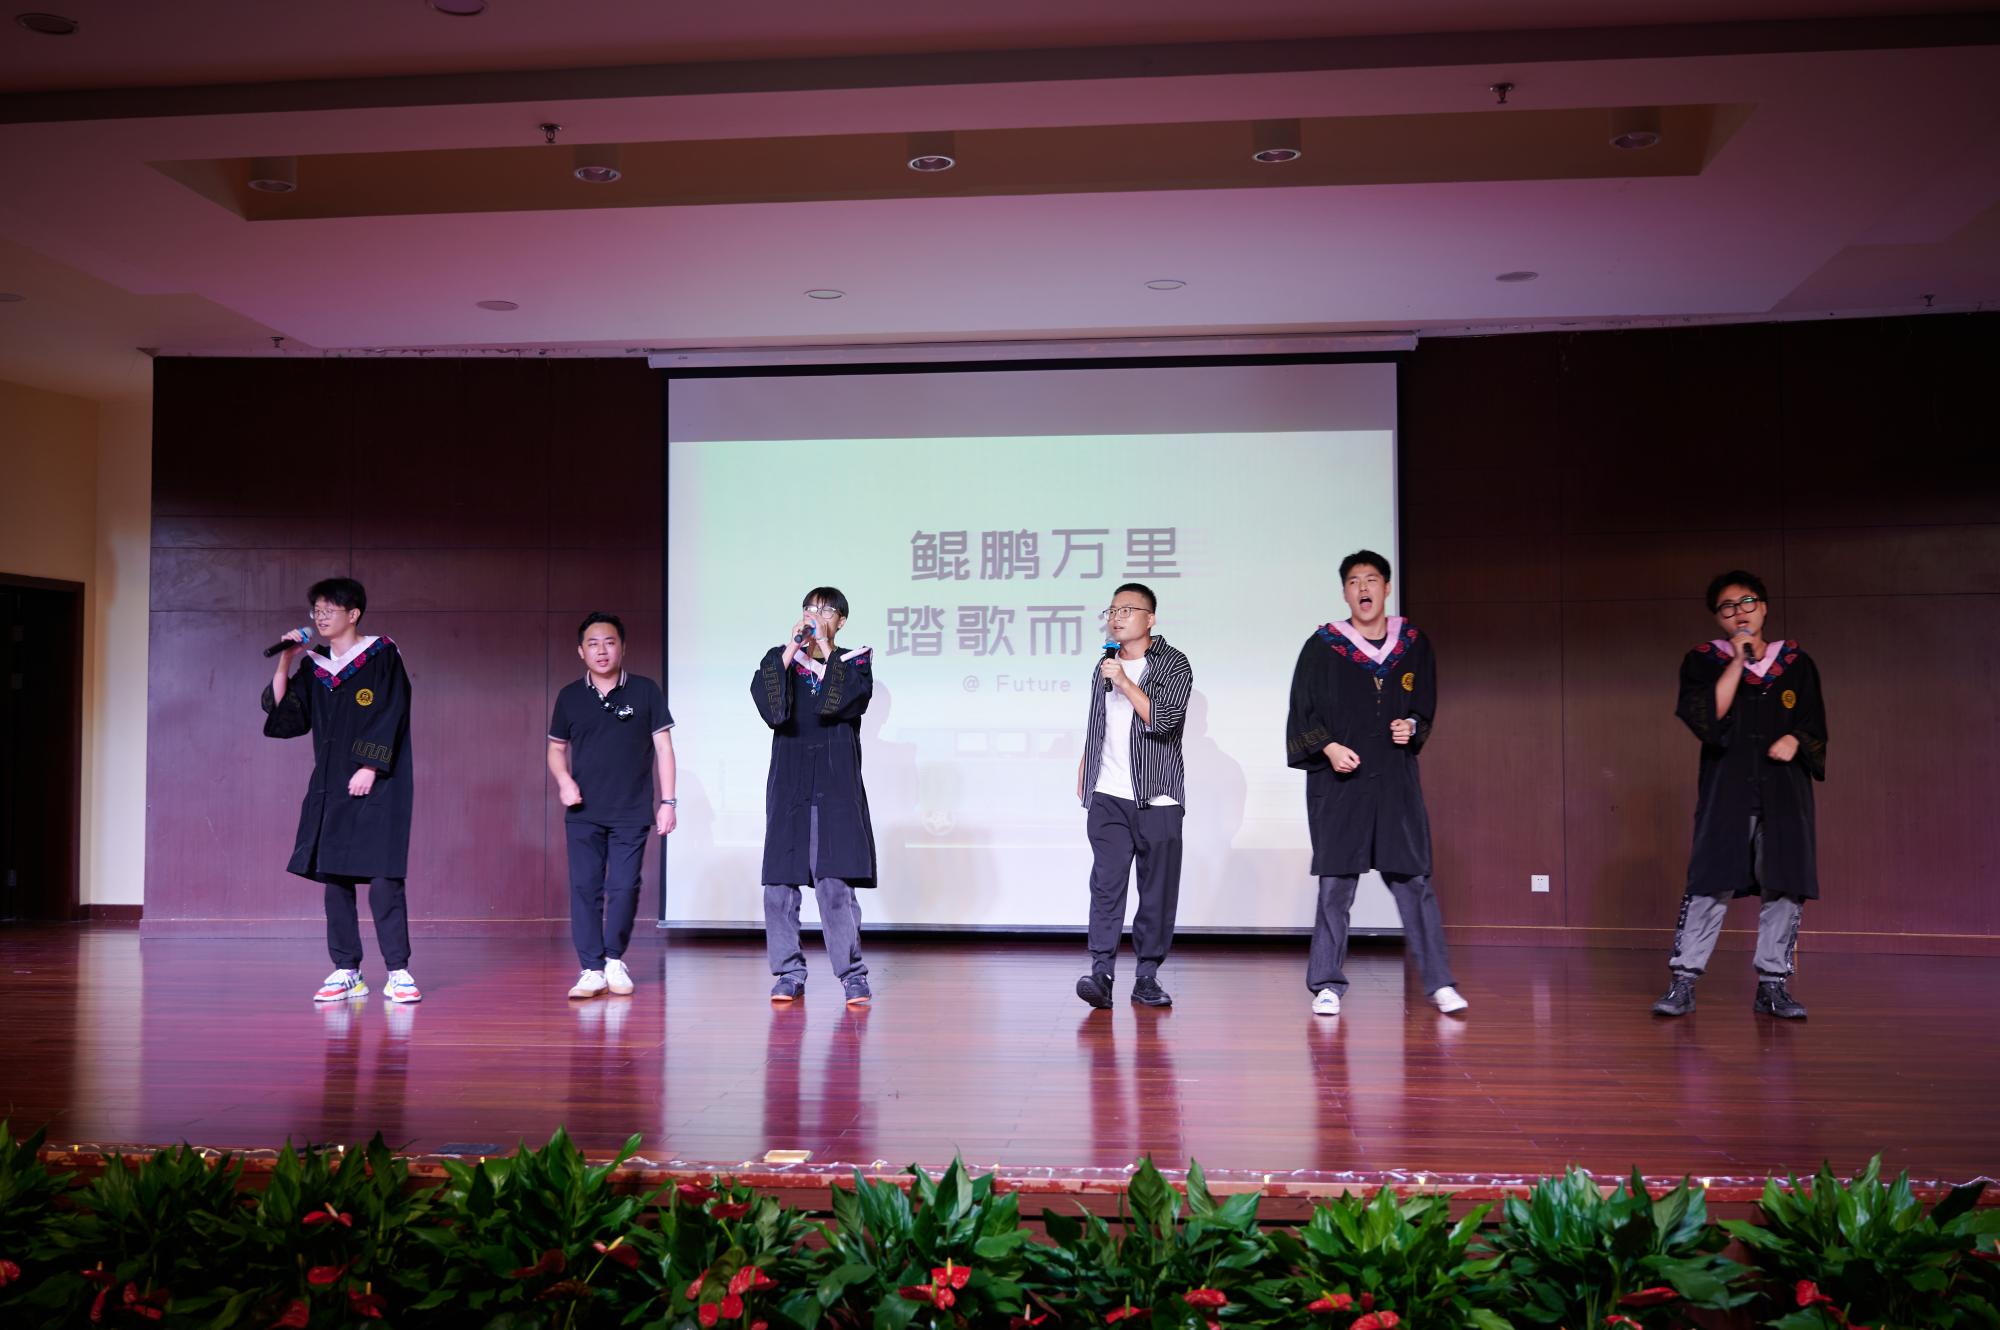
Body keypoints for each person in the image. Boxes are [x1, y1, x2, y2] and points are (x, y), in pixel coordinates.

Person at [1285, 550, 1467, 1016]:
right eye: (1353, 581)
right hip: (1340, 780)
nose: (1362, 588)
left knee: (1413, 881)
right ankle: (1327, 983)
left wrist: (1412, 725)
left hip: (1394, 779)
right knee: (1336, 885)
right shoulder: (1323, 646)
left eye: (1371, 579)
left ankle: (1440, 983)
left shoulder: (1413, 645)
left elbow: (1423, 706)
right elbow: (1302, 710)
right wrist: (1328, 747)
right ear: (1345, 592)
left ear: (1386, 587)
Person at [1653, 571, 1825, 1020]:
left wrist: (1796, 740)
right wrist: (1736, 661)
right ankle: (1683, 982)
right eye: (1727, 607)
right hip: (1727, 790)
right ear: (1719, 618)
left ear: (1763, 607)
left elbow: (1814, 724)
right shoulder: (1703, 661)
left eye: (1747, 602)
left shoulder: (1797, 663)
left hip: (1784, 792)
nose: (1739, 613)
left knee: (1785, 883)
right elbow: (1707, 718)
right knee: (1711, 880)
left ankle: (1773, 986)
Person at [263, 577, 420, 1004]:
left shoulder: (382, 654)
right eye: (316, 610)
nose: (321, 616)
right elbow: (286, 715)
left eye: (329, 609)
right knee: (335, 877)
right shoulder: (316, 667)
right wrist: (287, 659)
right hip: (332, 784)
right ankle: (347, 970)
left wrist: (370, 765)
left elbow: (393, 712)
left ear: (353, 614)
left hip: (381, 782)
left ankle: (399, 971)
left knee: (384, 877)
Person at [752, 587, 876, 1005]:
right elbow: (771, 709)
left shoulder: (855, 662)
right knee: (779, 884)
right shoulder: (782, 660)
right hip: (790, 782)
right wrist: (793, 646)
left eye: (825, 610)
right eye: (809, 608)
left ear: (841, 620)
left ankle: (852, 975)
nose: (816, 615)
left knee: (834, 884)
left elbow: (839, 703)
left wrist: (824, 646)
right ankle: (788, 972)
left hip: (835, 783)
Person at [1074, 582, 1195, 1010]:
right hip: (1108, 793)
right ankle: (1101, 973)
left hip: (1157, 796)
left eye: (1127, 610)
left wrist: (1125, 681)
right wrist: (1086, 766)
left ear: (1150, 618)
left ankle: (1147, 976)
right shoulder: (1103, 665)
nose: (1116, 617)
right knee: (1106, 885)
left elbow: (1164, 720)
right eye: (1112, 610)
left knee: (1156, 891)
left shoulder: (1173, 664)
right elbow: (1099, 722)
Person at [547, 612, 677, 1000]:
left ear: (623, 648)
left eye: (609, 642)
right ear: (581, 652)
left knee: (624, 887)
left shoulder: (646, 691)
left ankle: (614, 959)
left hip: (631, 811)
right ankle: (591, 969)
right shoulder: (570, 696)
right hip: (583, 813)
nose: (601, 650)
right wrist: (564, 781)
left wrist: (668, 802)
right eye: (593, 644)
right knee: (585, 888)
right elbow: (556, 749)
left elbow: (664, 749)